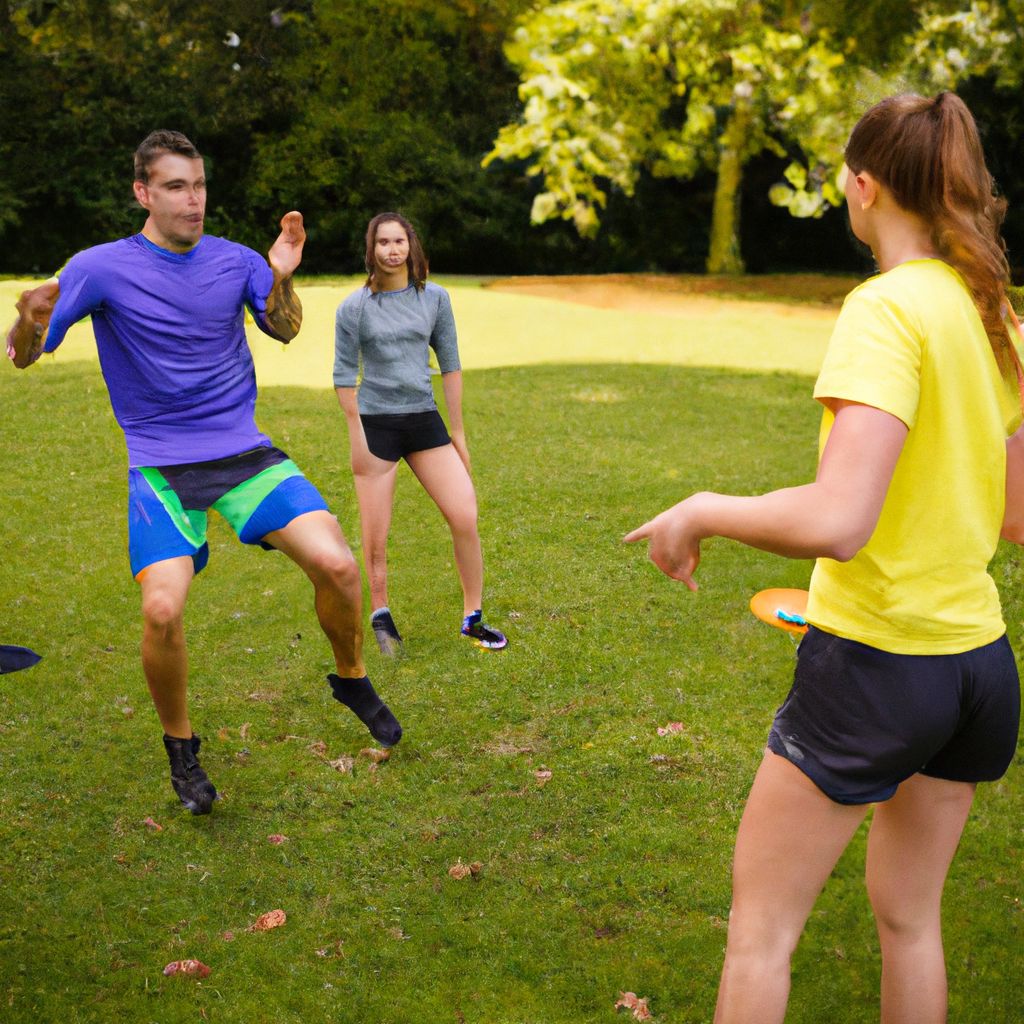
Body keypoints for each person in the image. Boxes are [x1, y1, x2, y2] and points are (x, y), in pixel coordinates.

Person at [626, 92, 1021, 1023]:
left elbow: (843, 518)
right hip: (977, 670)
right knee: (911, 921)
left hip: (880, 665)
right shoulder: (988, 310)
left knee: (760, 933)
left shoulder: (886, 310)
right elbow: (1016, 517)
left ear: (866, 185)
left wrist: (703, 509)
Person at [6, 130, 401, 816]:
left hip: (243, 454)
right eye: (176, 188)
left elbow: (283, 328)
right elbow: (24, 354)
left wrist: (280, 272)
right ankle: (181, 748)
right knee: (162, 609)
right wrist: (31, 323)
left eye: (200, 186)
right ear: (143, 193)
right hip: (161, 467)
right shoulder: (99, 267)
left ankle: (351, 678)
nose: (194, 201)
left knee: (337, 565)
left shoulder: (233, 259)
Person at [334, 212, 507, 653]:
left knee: (465, 513)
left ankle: (472, 618)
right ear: (371, 249)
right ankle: (381, 614)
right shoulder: (353, 307)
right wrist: (357, 434)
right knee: (376, 535)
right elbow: (342, 376)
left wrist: (459, 433)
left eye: (399, 241)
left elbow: (449, 364)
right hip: (377, 425)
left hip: (423, 420)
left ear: (411, 245)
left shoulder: (435, 299)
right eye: (383, 243)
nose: (392, 250)